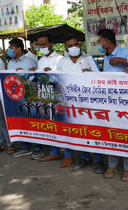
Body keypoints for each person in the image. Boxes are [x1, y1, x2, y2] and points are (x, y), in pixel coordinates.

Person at [97, 29, 128, 180]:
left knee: (126, 133)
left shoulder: (124, 52)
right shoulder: (105, 56)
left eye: (100, 41)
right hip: (109, 100)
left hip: (125, 101)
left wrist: (122, 61)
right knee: (111, 133)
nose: (99, 44)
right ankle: (112, 165)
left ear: (106, 41)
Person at [56, 35, 105, 174]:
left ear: (80, 45)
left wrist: (90, 74)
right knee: (79, 131)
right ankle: (84, 158)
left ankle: (98, 160)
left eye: (76, 44)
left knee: (93, 130)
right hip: (70, 102)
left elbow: (99, 78)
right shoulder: (62, 62)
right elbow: (57, 79)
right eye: (70, 45)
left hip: (88, 102)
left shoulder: (88, 60)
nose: (73, 47)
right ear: (66, 48)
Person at [0, 38, 44, 159]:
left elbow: (36, 78)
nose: (9, 50)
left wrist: (25, 72)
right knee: (21, 121)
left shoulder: (30, 61)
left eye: (11, 48)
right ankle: (25, 147)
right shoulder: (10, 63)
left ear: (19, 49)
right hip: (16, 96)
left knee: (33, 121)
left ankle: (38, 148)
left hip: (29, 96)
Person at [36, 34, 73, 167]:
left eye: (44, 44)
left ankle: (69, 155)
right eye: (39, 45)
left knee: (63, 124)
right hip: (45, 96)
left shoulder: (60, 59)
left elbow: (65, 76)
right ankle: (54, 151)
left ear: (51, 44)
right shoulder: (40, 60)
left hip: (59, 96)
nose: (41, 47)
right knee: (50, 124)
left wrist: (52, 72)